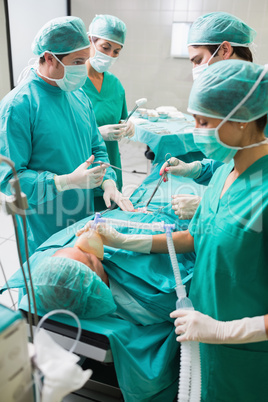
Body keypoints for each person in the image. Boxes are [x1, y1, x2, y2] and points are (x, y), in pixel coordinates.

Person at [91, 60, 268, 401]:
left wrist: (226, 330)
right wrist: (129, 240)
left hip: (250, 357)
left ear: (243, 120)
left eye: (203, 121)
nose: (197, 130)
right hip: (207, 340)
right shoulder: (225, 173)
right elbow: (195, 238)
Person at [0, 16, 133, 262]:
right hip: (42, 223)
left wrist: (108, 183)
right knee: (47, 288)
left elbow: (97, 147)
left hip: (80, 216)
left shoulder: (78, 96)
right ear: (50, 58)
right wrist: (64, 181)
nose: (84, 68)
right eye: (77, 61)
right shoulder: (18, 105)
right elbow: (9, 179)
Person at [161, 12, 258, 219]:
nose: (195, 70)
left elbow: (259, 179)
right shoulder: (232, 96)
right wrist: (196, 169)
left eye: (198, 61)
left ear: (224, 49)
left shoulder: (259, 101)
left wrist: (213, 205)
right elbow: (233, 164)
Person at [82, 14, 135, 210]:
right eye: (105, 48)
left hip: (110, 165)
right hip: (82, 168)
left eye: (116, 51)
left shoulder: (115, 85)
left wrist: (128, 125)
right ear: (90, 40)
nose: (110, 55)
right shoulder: (73, 84)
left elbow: (122, 118)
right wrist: (97, 133)